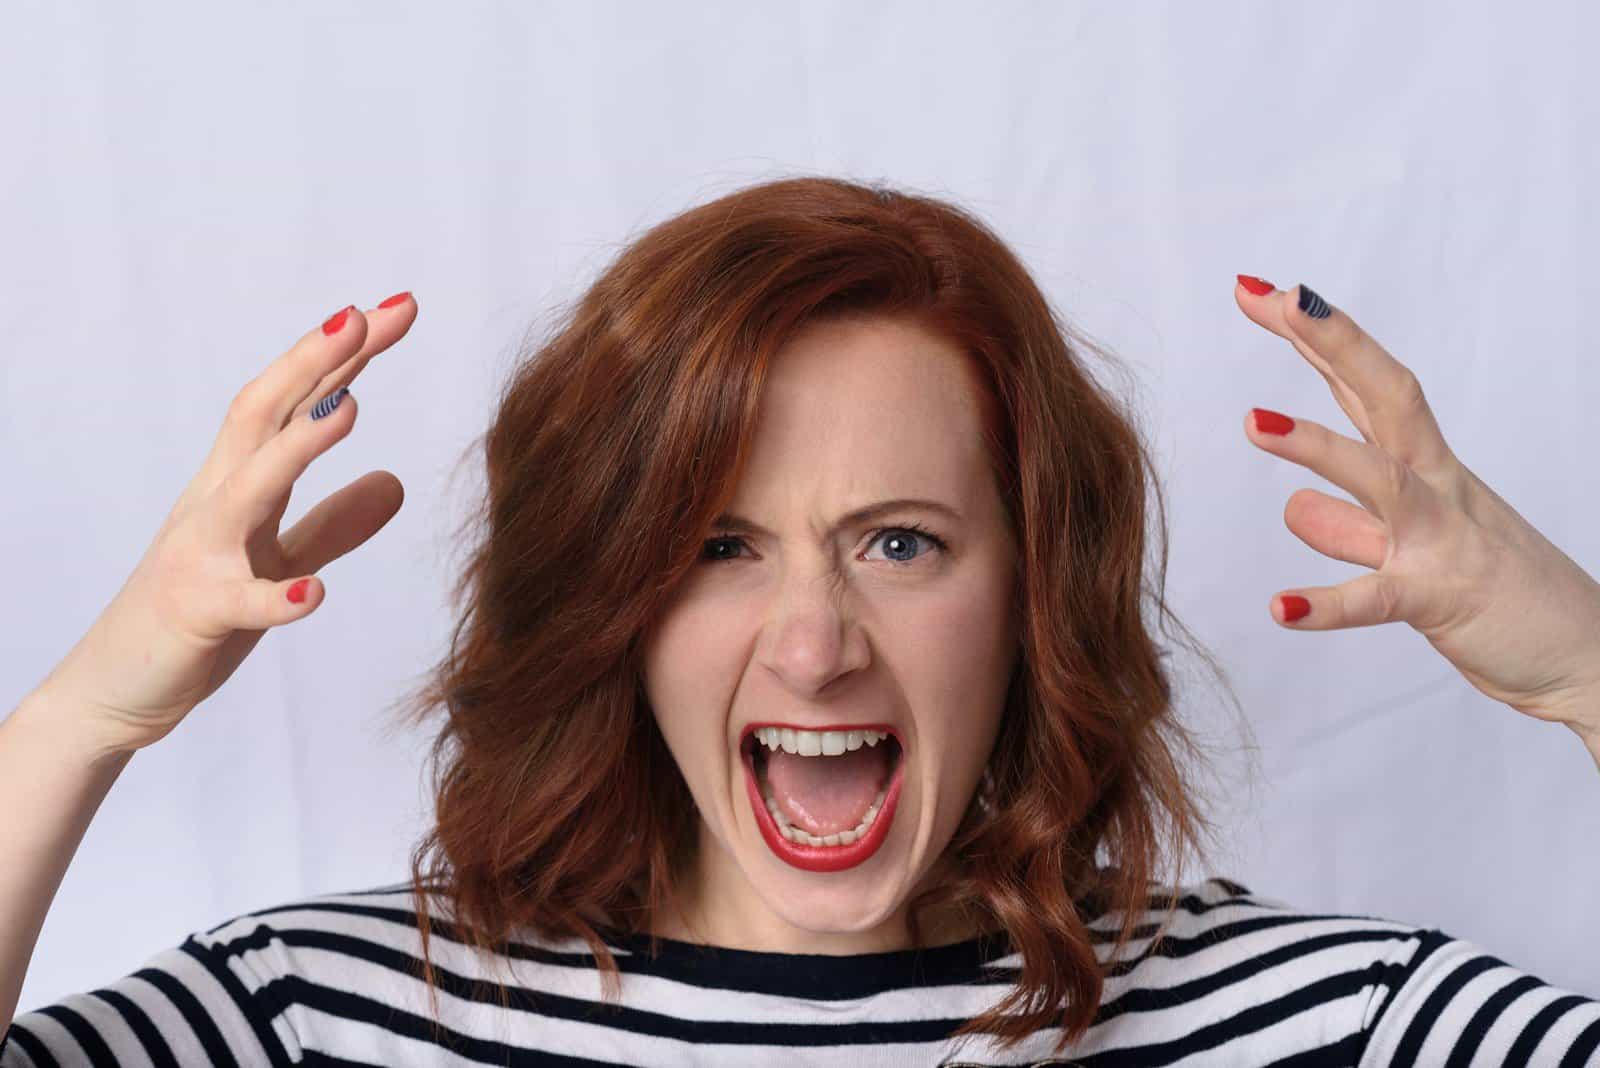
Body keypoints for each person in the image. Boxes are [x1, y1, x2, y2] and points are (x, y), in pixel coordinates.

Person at [3, 176, 1598, 1067]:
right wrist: (83, 716)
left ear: (1035, 592)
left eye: (899, 541)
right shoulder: (318, 1017)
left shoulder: (1333, 1025)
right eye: (716, 547)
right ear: (611, 602)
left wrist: (1593, 668)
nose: (815, 640)